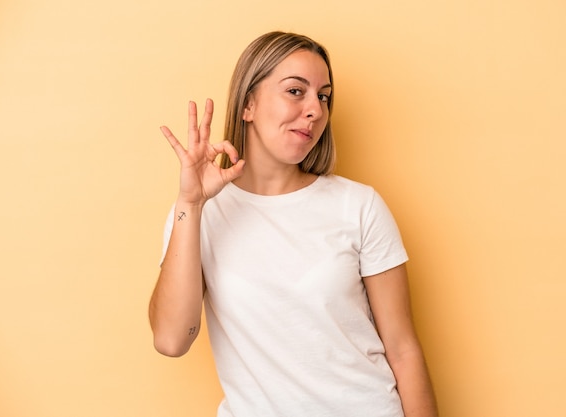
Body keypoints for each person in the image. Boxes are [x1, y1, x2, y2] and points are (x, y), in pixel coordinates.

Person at [149, 31, 438, 417]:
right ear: (248, 104)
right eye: (295, 91)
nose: (315, 110)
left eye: (323, 96)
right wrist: (190, 202)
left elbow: (403, 350)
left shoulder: (358, 205)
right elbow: (171, 340)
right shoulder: (199, 214)